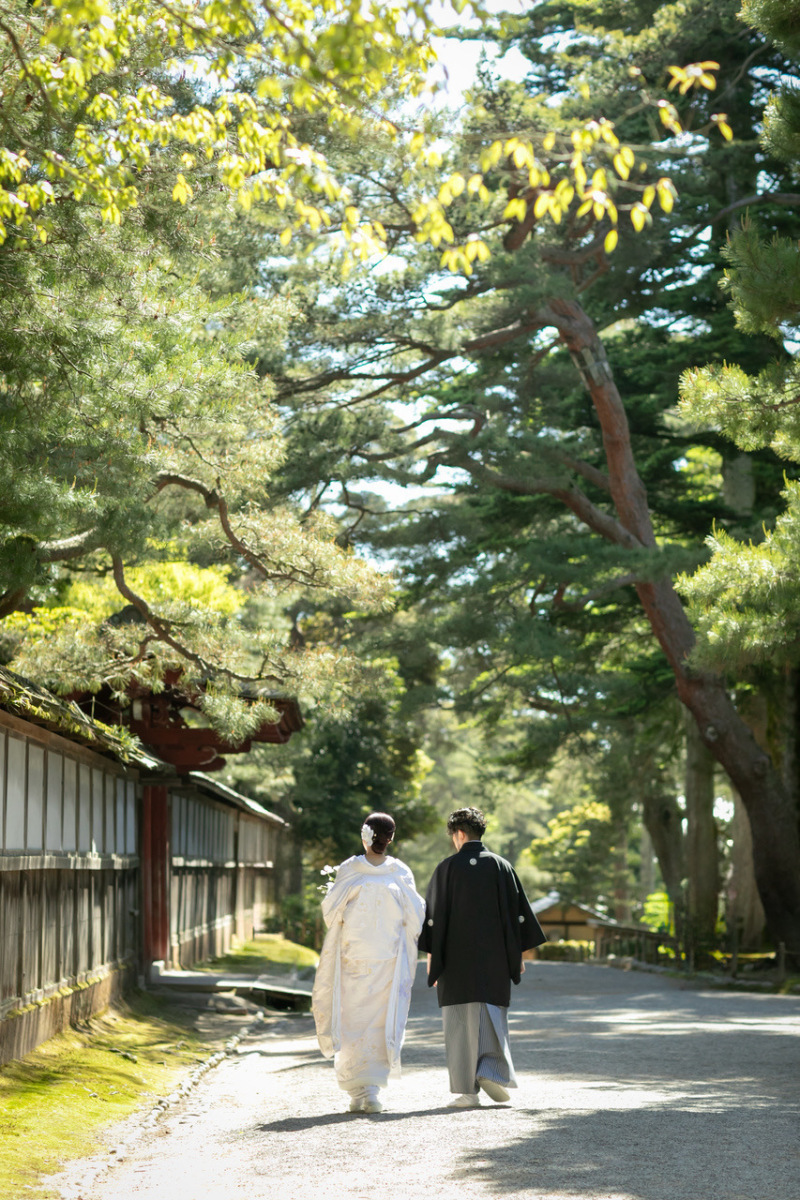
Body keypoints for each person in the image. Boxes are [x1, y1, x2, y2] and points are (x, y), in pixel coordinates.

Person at [418, 806, 546, 1108]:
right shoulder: (502, 867)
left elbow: (434, 918)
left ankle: (467, 1092)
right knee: (492, 1014)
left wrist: (432, 959)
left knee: (460, 1021)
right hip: (496, 960)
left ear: (459, 833)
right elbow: (520, 917)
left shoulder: (447, 868)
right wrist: (518, 956)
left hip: (455, 960)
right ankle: (491, 1070)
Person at [312, 812, 425, 1114]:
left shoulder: (391, 870)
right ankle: (357, 1090)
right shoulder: (364, 869)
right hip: (354, 961)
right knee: (355, 1020)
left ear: (366, 835)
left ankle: (370, 1089)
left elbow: (331, 910)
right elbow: (415, 914)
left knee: (376, 1022)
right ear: (391, 836)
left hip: (385, 962)